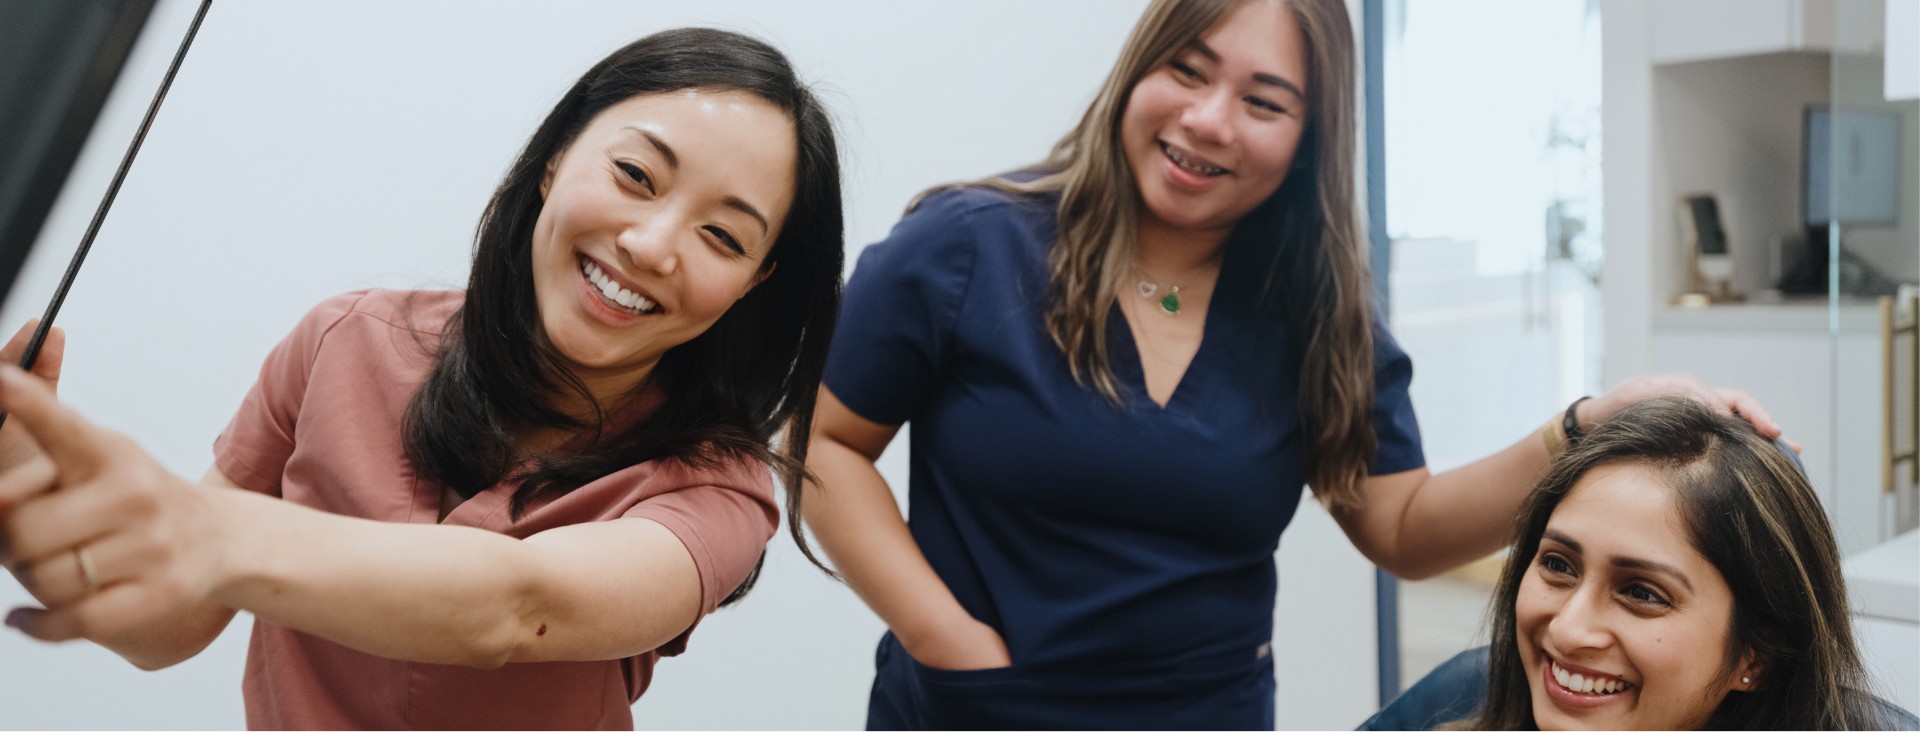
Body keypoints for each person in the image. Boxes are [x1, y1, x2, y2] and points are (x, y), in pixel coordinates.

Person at [802, 0, 1786, 728]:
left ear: (1309, 139)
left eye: (1264, 101)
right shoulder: (968, 244)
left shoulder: (1316, 314)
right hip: (969, 711)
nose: (1209, 121)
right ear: (1137, 73)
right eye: (1187, 71)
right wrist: (947, 641)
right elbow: (825, 445)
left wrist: (1585, 425)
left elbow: (1403, 528)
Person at [0, 27, 843, 730]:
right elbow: (166, 624)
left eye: (724, 239)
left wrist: (208, 532)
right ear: (555, 157)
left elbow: (512, 607)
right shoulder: (344, 339)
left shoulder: (721, 488)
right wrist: (30, 510)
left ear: (753, 285)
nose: (653, 245)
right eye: (635, 176)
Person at [1363, 396, 1916, 730]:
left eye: (1643, 593)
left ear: (1758, 655)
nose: (1568, 627)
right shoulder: (1454, 701)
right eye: (1558, 565)